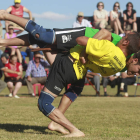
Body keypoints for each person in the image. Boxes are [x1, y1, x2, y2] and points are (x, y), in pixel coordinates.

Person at [0, 10, 140, 137]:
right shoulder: (122, 53)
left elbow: (96, 58)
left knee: (72, 85)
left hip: (78, 57)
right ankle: (4, 30)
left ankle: (58, 123)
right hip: (86, 36)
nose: (137, 74)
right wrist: (85, 52)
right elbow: (105, 33)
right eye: (138, 71)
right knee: (41, 35)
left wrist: (85, 55)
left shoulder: (122, 63)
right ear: (134, 59)